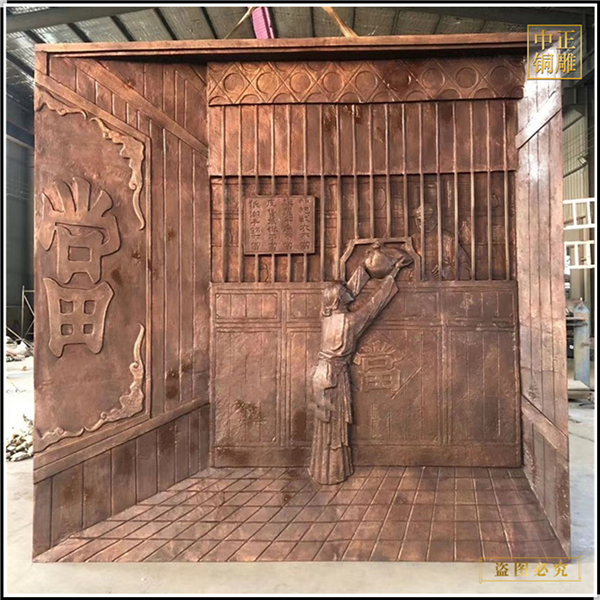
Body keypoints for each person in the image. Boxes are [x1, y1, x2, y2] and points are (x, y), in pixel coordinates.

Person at [309, 253, 412, 485]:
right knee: (334, 426)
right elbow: (375, 304)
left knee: (325, 425)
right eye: (344, 291)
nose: (349, 291)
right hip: (334, 378)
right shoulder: (349, 322)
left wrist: (364, 268)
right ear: (339, 298)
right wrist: (394, 272)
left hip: (321, 376)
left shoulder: (326, 317)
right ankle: (332, 473)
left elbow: (350, 291)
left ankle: (324, 471)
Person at [412, 205, 471, 280]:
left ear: (435, 218)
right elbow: (399, 266)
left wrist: (447, 271)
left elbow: (465, 267)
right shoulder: (412, 241)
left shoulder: (448, 240)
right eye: (419, 220)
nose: (423, 223)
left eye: (426, 219)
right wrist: (412, 274)